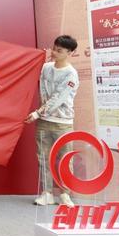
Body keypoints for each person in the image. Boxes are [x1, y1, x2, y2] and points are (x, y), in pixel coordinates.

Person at [25, 35, 79, 208]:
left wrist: (37, 113)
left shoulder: (71, 74)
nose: (54, 52)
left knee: (65, 159)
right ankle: (47, 193)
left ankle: (65, 194)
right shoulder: (46, 67)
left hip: (62, 123)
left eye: (59, 50)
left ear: (70, 53)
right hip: (43, 121)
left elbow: (58, 98)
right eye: (54, 48)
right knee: (43, 158)